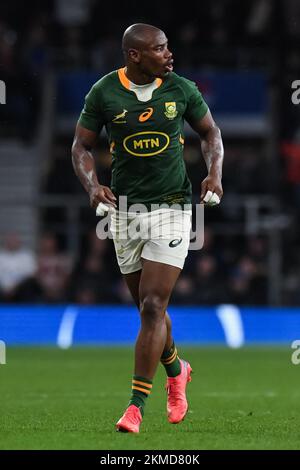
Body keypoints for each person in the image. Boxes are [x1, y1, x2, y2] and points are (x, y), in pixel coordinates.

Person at [71, 23, 224, 433]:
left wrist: (214, 174)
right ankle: (178, 369)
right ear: (134, 56)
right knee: (147, 309)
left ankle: (136, 406)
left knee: (154, 306)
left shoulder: (181, 89)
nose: (168, 54)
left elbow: (210, 132)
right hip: (124, 212)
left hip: (173, 207)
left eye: (168, 46)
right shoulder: (104, 92)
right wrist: (92, 186)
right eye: (159, 49)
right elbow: (81, 146)